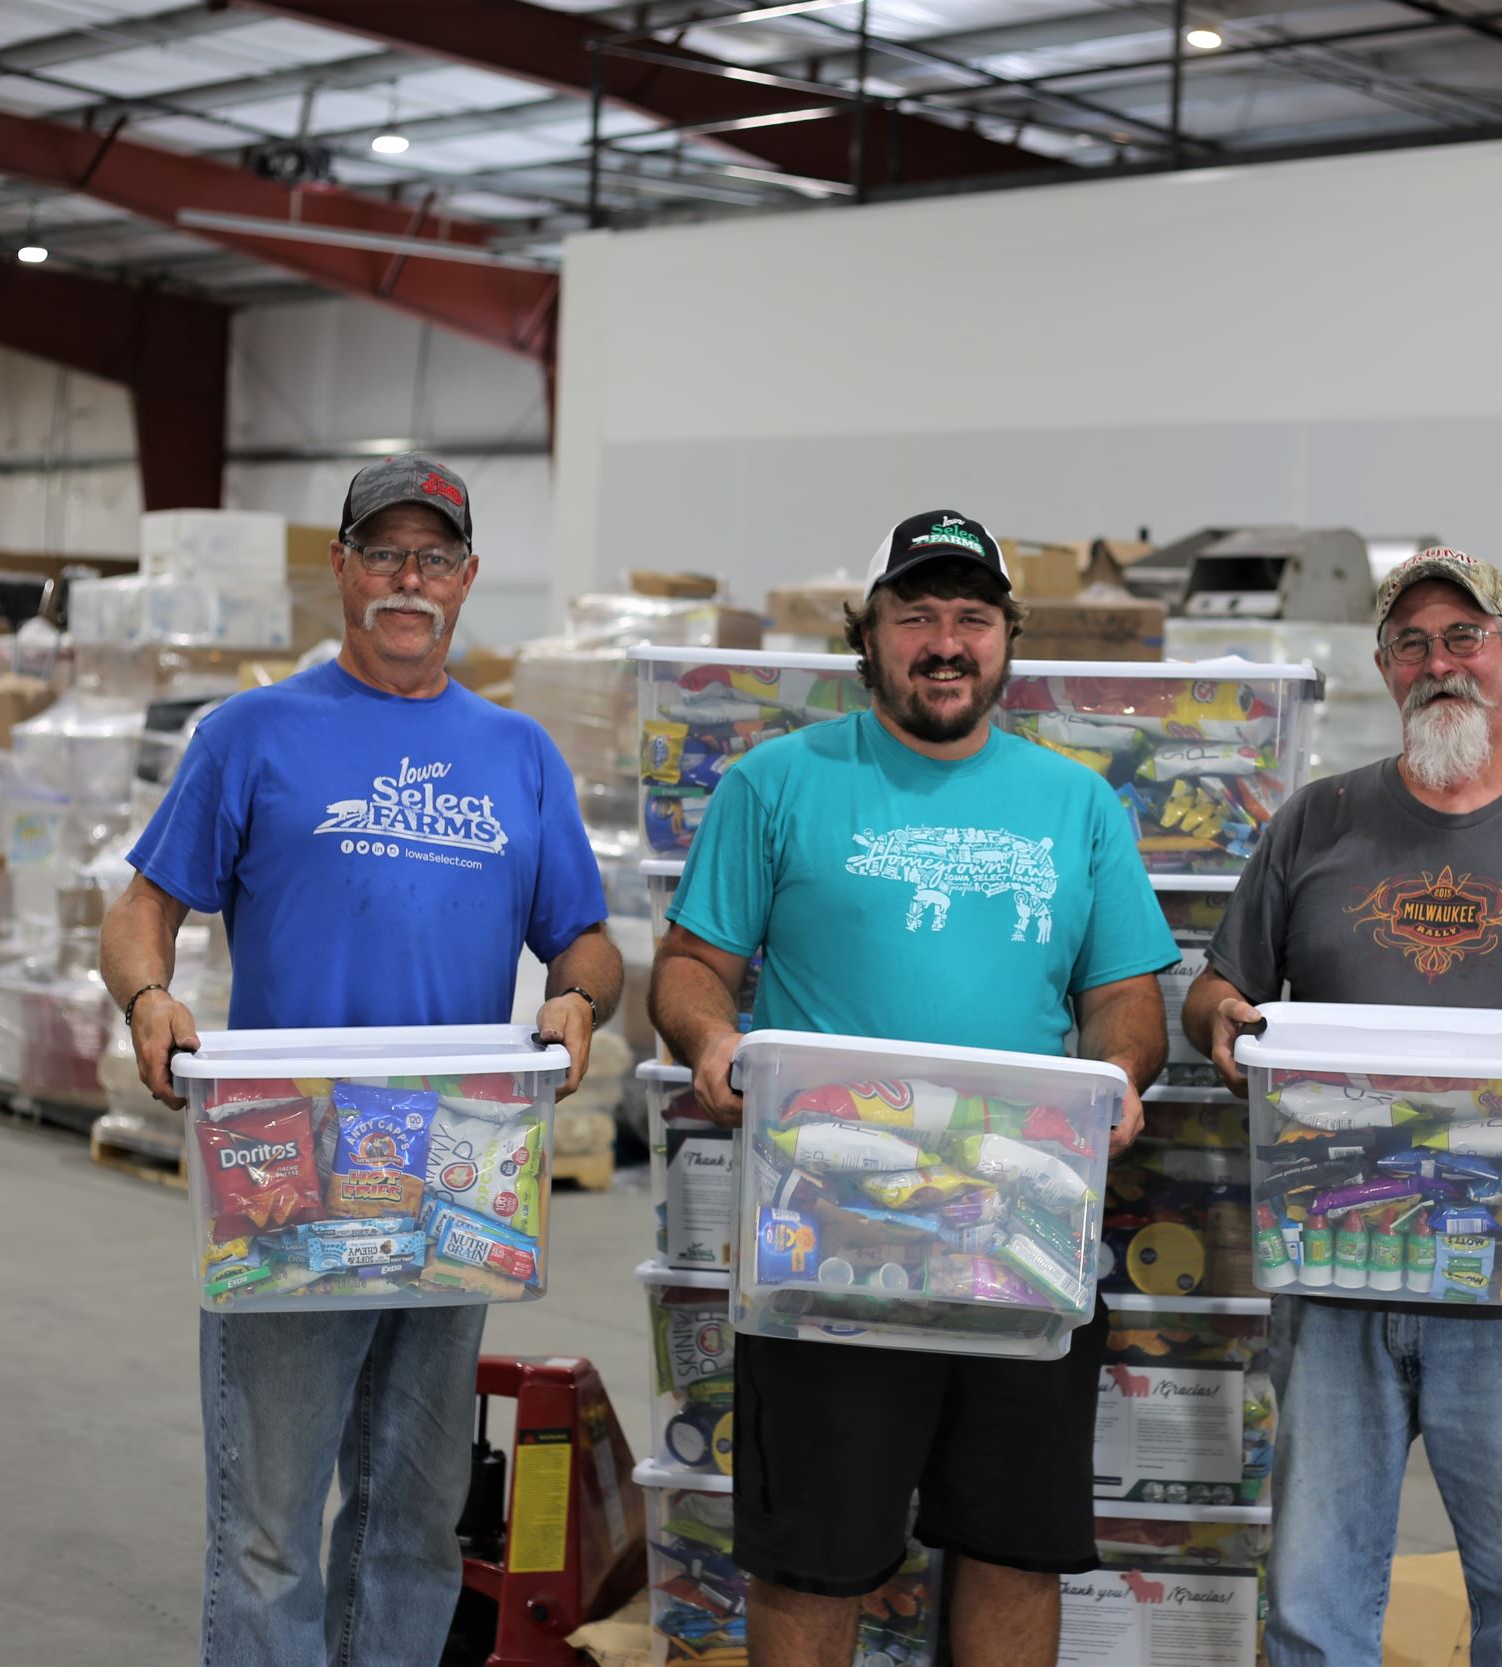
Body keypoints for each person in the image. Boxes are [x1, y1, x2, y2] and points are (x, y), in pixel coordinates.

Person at [100, 453, 622, 1667]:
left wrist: (577, 997)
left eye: (435, 555)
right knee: (270, 1530)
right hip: (289, 1171)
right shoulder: (252, 733)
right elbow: (144, 906)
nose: (409, 578)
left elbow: (586, 938)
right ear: (340, 567)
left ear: (468, 576)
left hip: (455, 1171)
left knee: (415, 1520)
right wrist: (149, 995)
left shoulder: (519, 754)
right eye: (383, 552)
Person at [650, 510, 1177, 1667]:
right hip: (826, 1225)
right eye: (918, 615)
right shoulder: (775, 782)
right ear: (872, 636)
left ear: (1006, 641)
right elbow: (692, 965)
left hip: (1026, 1225)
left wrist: (1123, 1076)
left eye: (972, 617)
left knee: (1014, 1543)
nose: (946, 641)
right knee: (813, 1550)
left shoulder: (1077, 802)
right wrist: (711, 1041)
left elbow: (1126, 993)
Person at [1182, 547, 1502, 1667]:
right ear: (1384, 667)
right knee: (1312, 1607)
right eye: (1413, 642)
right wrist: (1223, 1011)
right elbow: (1215, 988)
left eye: (1465, 638)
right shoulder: (1312, 823)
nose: (1441, 663)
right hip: (1335, 1265)